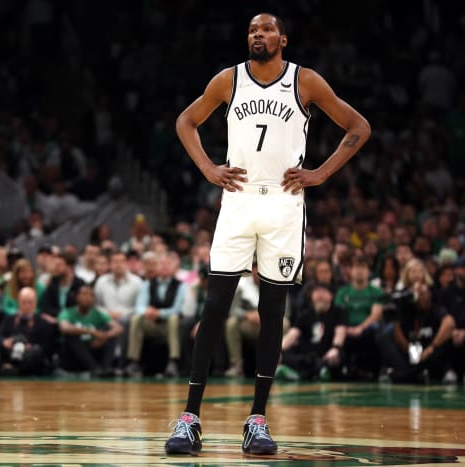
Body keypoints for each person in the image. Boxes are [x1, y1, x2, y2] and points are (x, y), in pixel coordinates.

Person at [164, 12, 370, 456]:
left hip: (282, 205)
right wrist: (207, 168)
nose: (257, 35)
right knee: (215, 306)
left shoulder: (306, 81)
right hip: (237, 201)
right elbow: (185, 122)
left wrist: (320, 174)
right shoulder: (227, 80)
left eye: (266, 30)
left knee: (271, 312)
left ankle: (257, 420)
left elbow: (358, 127)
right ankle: (189, 418)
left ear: (283, 39)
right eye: (252, 31)